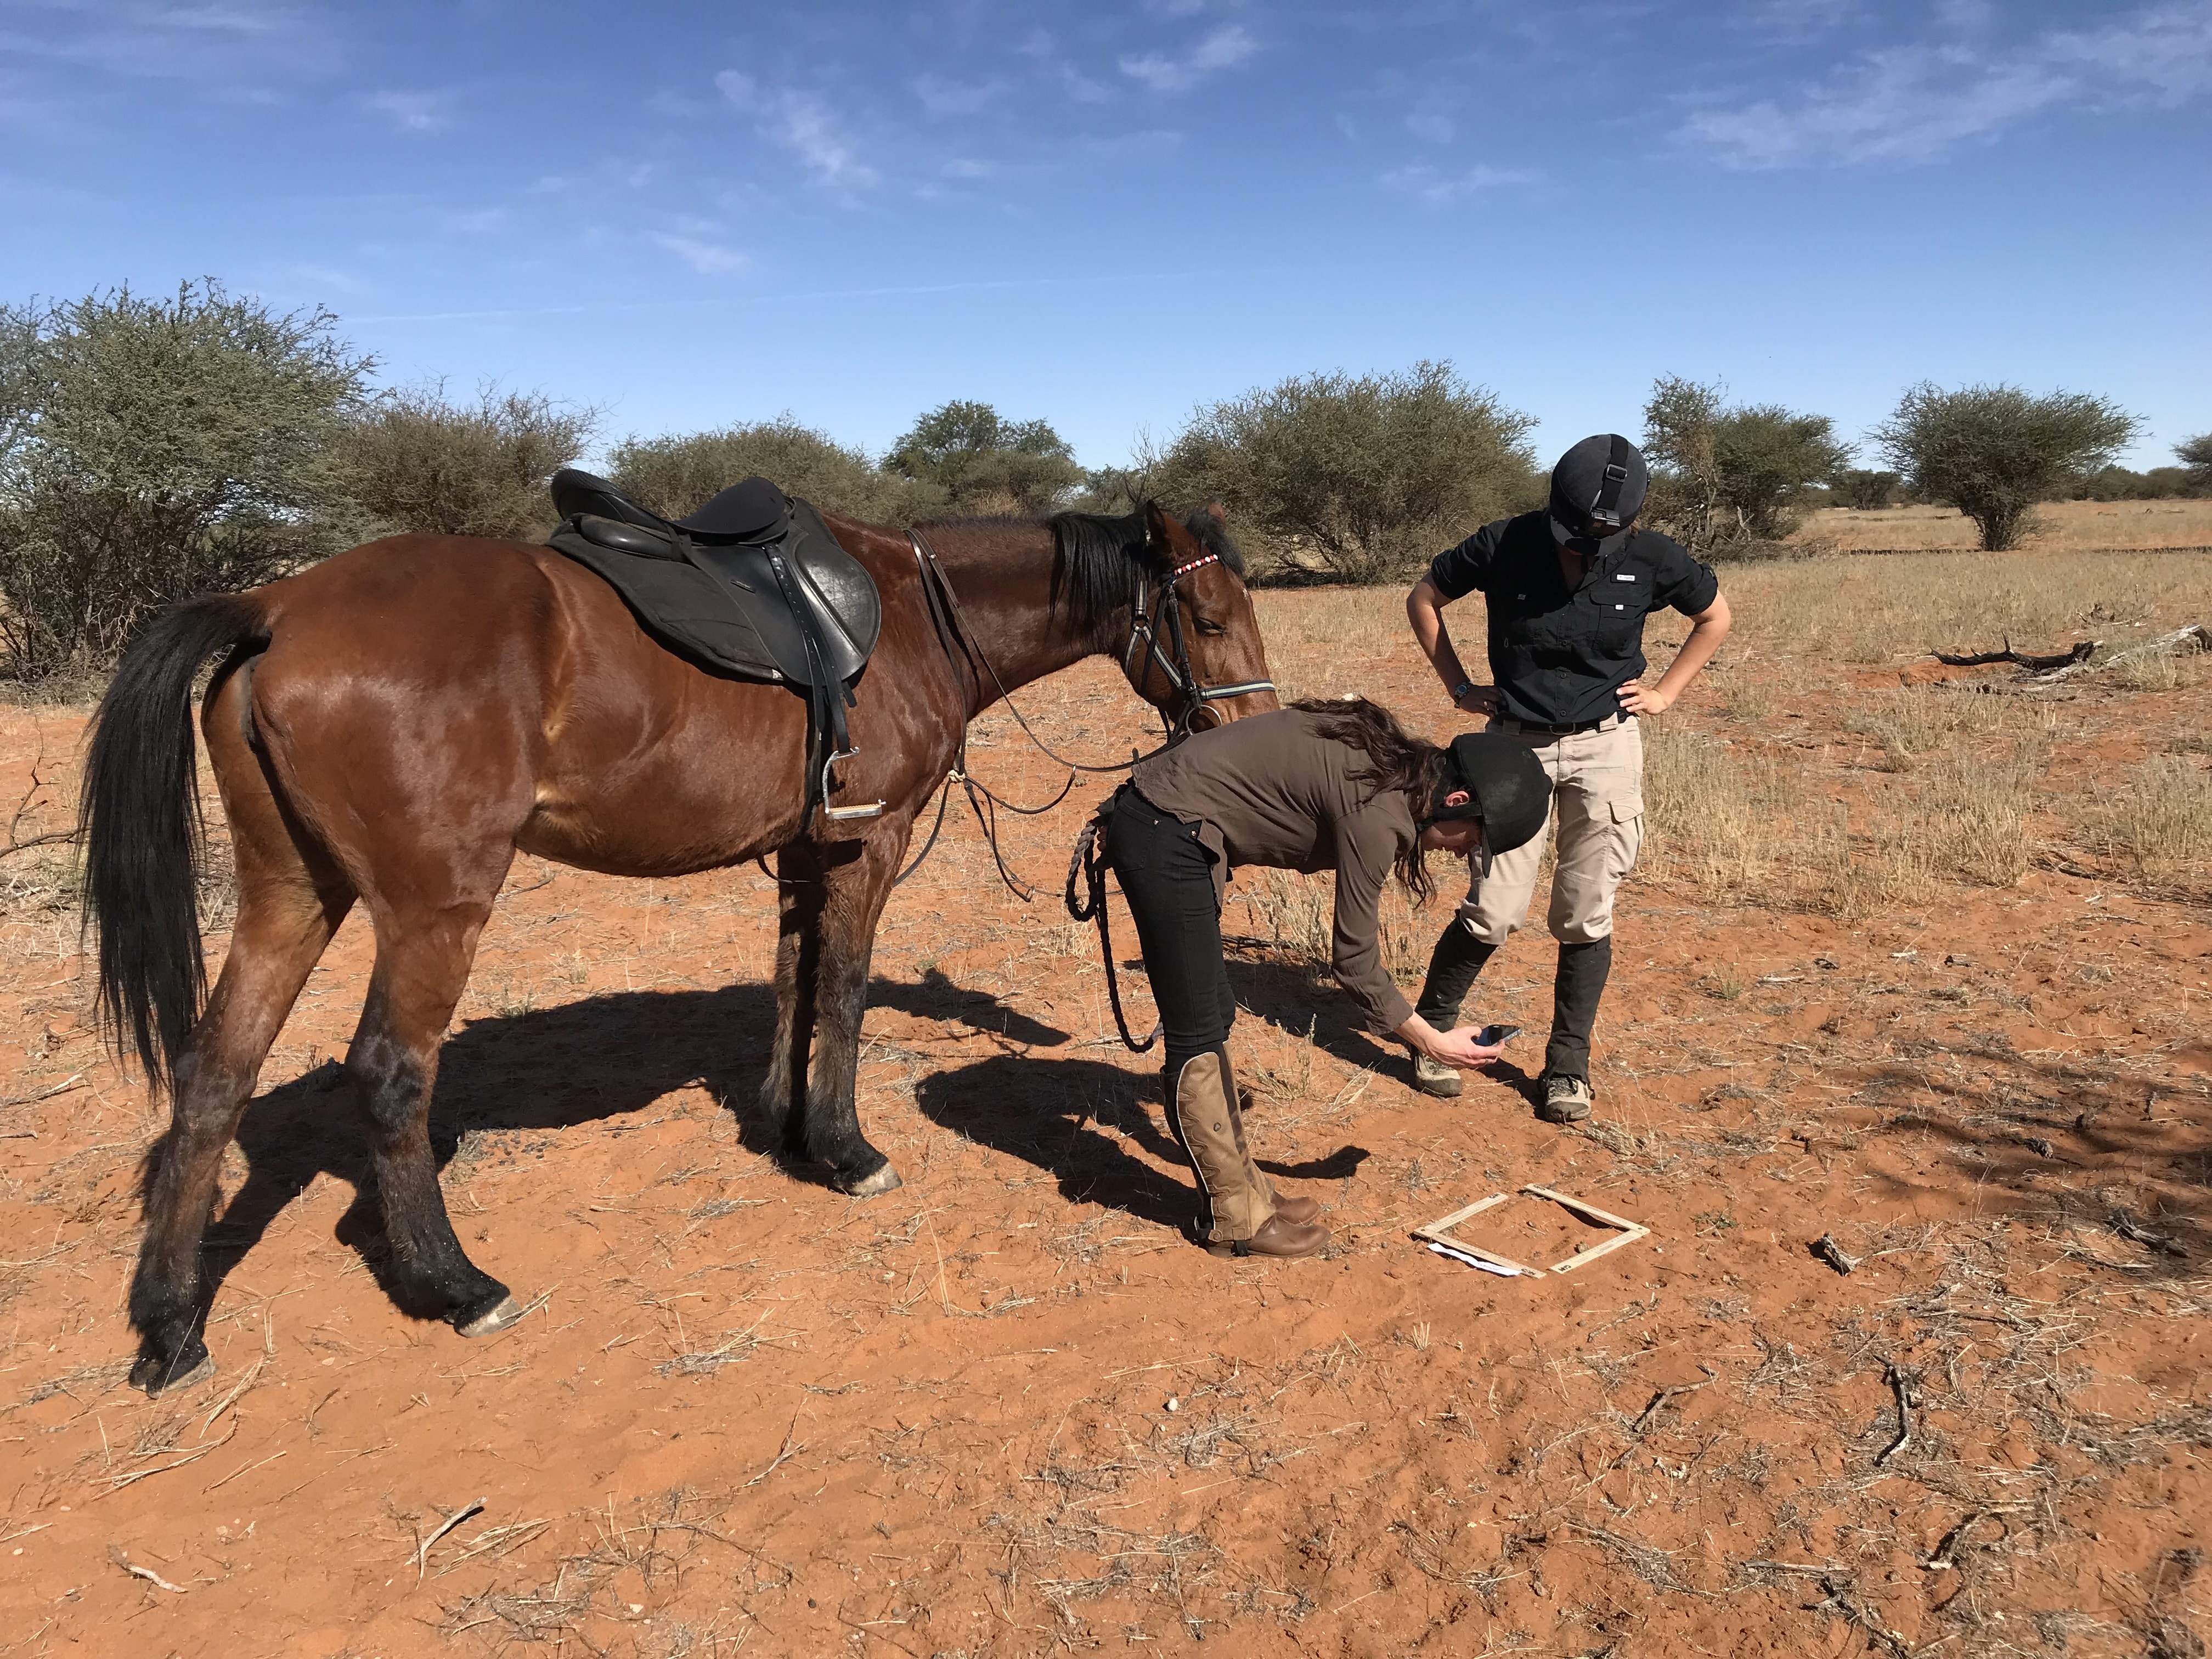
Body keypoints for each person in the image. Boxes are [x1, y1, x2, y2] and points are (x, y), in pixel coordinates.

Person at [1097, 698, 1552, 1259]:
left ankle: (1244, 1189)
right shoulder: (1381, 811)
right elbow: (1354, 961)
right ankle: (1233, 1220)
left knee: (1213, 1013)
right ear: (1456, 801)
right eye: (1475, 838)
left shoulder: (1387, 762)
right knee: (1196, 1032)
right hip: (1166, 832)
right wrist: (1433, 1041)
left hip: (1173, 824)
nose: (1467, 852)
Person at [1405, 433, 1733, 1124]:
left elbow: (1714, 616)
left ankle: (1567, 1067)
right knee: (1494, 910)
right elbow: (1425, 597)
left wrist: (1668, 692)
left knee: (1585, 913)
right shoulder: (1504, 542)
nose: (1585, 551)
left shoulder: (1654, 557)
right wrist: (1460, 685)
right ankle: (1432, 1034)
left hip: (1606, 749)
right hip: (1512, 751)